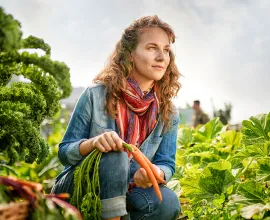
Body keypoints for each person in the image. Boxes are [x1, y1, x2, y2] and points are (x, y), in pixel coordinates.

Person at [51, 15, 182, 220]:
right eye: (151, 48)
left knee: (168, 203)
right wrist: (93, 144)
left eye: (166, 50)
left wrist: (155, 172)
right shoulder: (96, 95)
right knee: (115, 152)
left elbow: (167, 163)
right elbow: (65, 153)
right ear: (130, 54)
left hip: (130, 190)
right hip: (82, 189)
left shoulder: (168, 112)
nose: (161, 57)